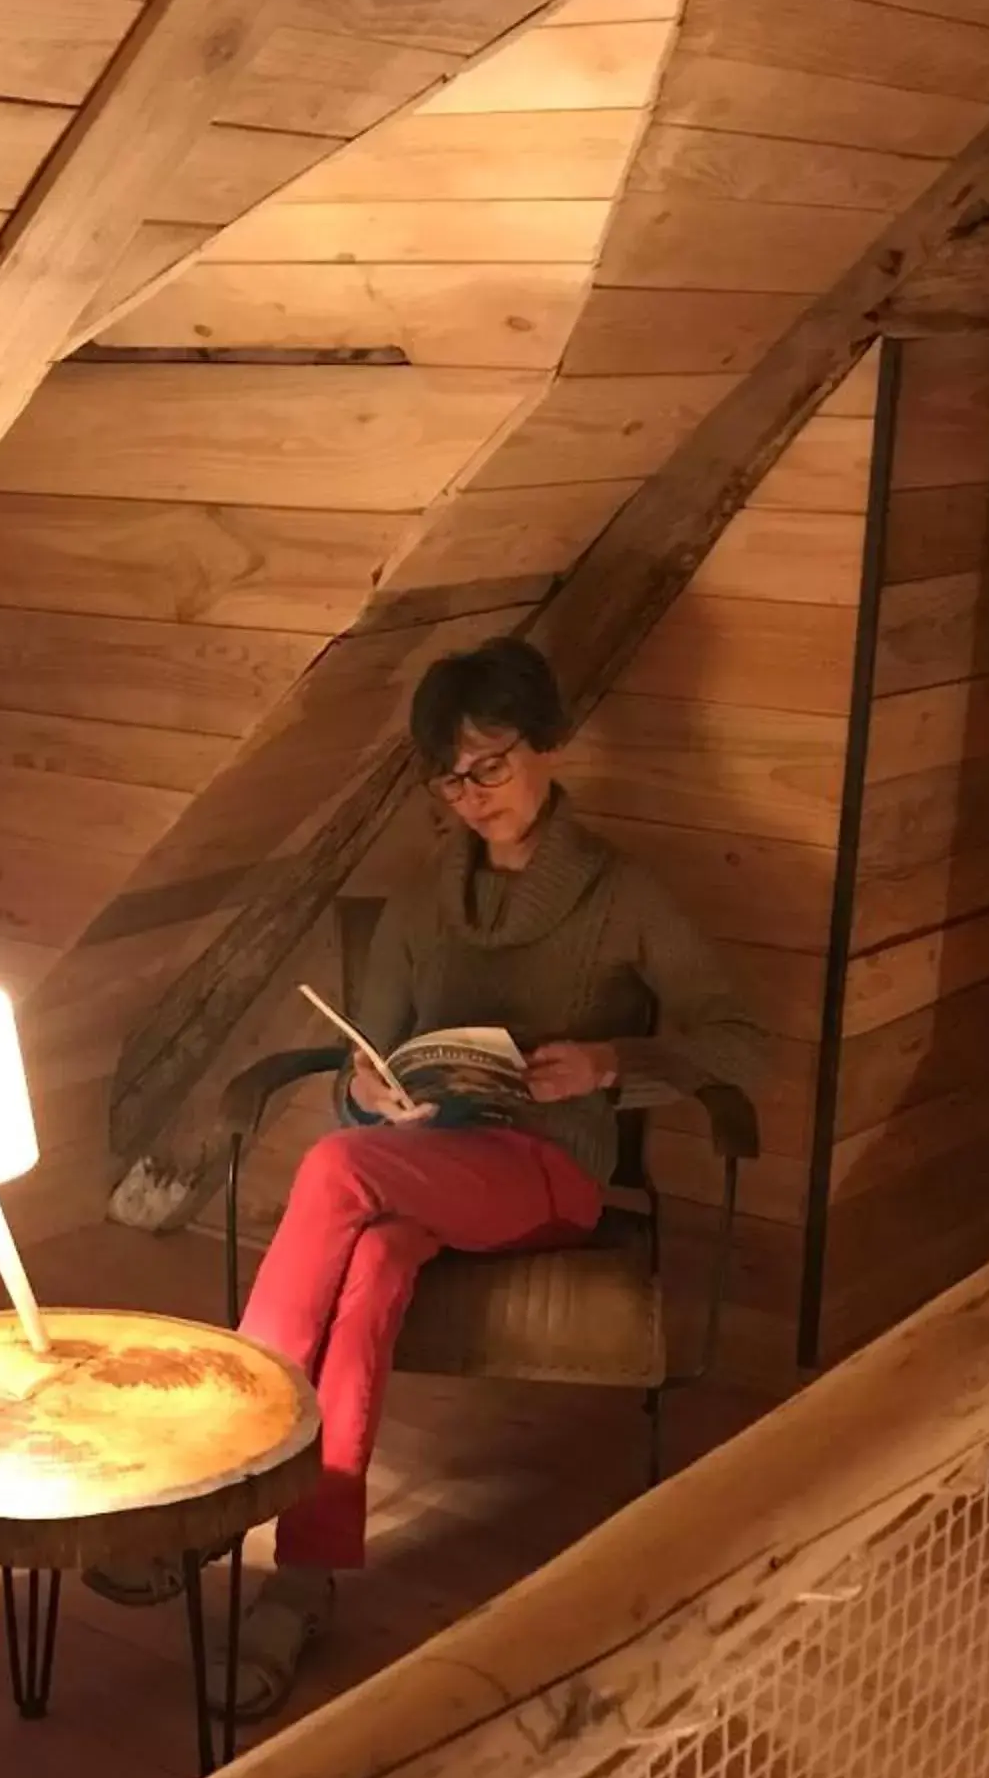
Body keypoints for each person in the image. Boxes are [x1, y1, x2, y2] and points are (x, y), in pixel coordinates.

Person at [111, 637, 766, 1720]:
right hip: (426, 1165)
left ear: (546, 744)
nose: (472, 797)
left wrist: (614, 1064)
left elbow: (744, 1042)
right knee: (366, 1269)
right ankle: (304, 1580)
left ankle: (220, 1475)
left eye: (491, 766)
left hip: (551, 1172)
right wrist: (370, 1091)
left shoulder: (624, 894)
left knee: (330, 1171)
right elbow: (371, 1066)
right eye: (450, 779)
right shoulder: (422, 905)